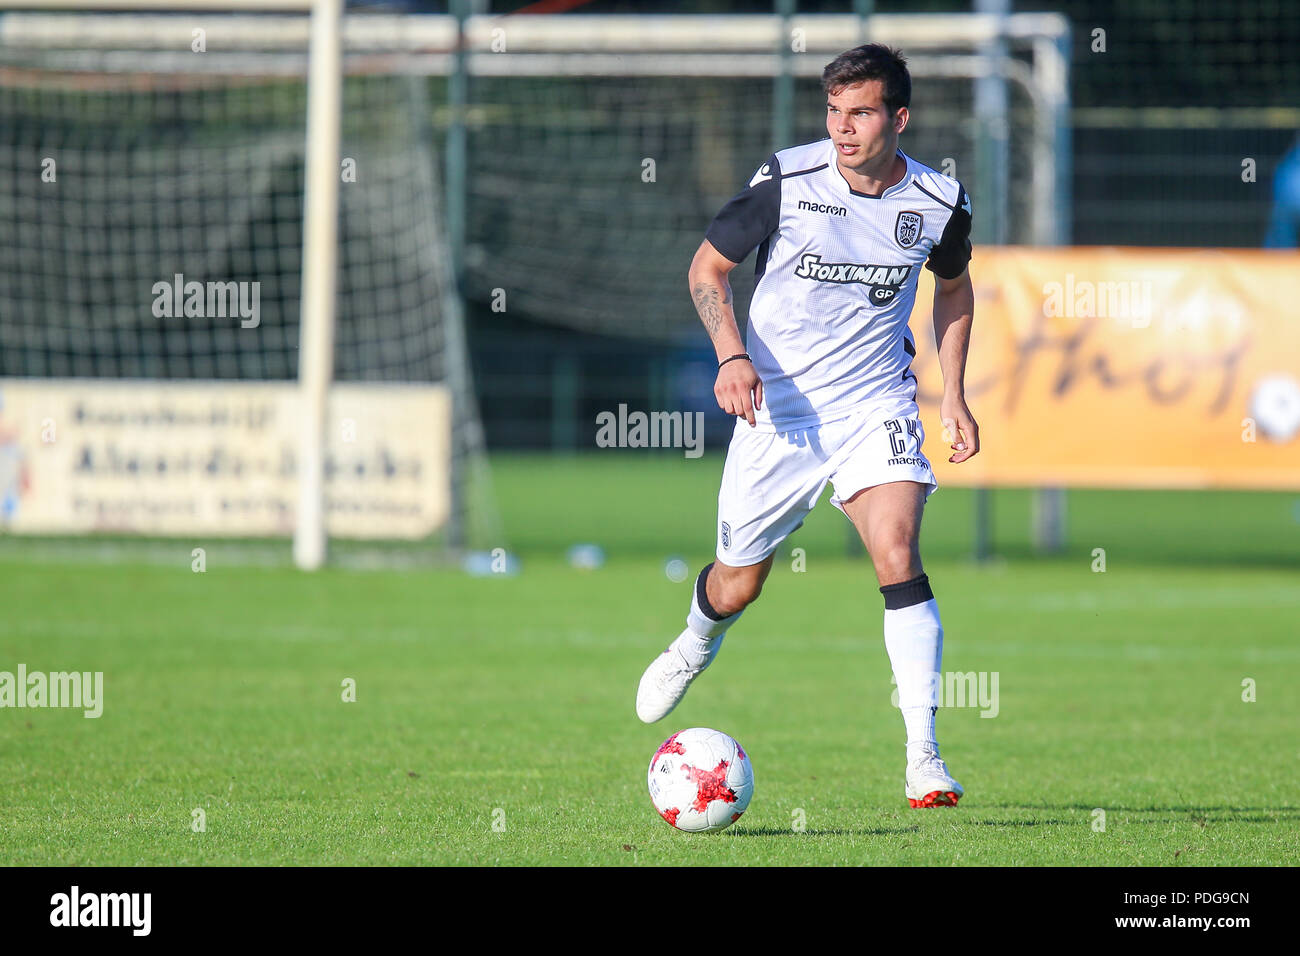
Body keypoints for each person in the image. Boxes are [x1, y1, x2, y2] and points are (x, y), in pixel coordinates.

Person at [635, 44, 980, 809]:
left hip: (875, 402)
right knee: (738, 583)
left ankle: (923, 755)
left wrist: (951, 394)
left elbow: (953, 291)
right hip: (777, 414)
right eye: (833, 111)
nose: (843, 128)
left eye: (860, 112)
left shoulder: (938, 201)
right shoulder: (789, 180)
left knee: (897, 550)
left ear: (899, 117)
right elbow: (706, 269)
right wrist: (731, 356)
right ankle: (696, 640)